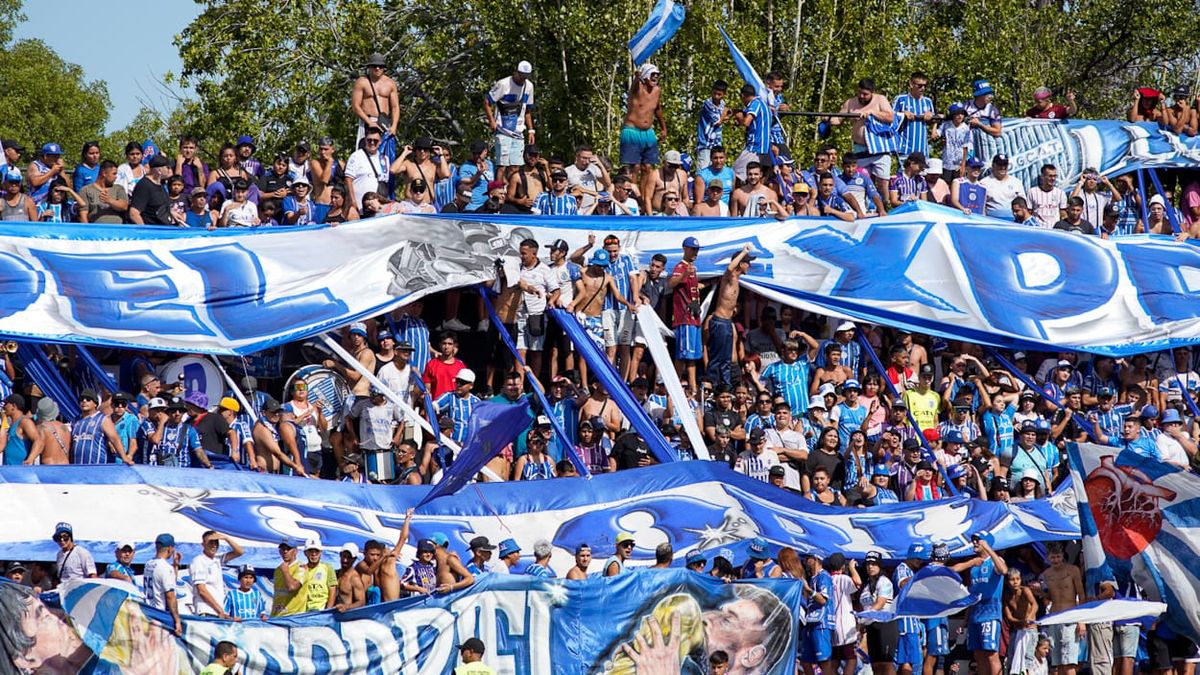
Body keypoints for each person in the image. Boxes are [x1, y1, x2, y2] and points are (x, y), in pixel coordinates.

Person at [950, 532, 1008, 675]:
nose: (974, 543)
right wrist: (965, 621)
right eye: (973, 540)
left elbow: (1003, 570)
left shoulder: (995, 560)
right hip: (975, 614)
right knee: (978, 655)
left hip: (990, 614)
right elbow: (972, 594)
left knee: (990, 653)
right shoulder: (974, 566)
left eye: (978, 540)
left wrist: (988, 549)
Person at [830, 78, 896, 195]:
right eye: (859, 93)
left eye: (865, 94)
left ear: (872, 92)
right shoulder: (850, 103)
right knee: (860, 180)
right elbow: (838, 119)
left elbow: (890, 117)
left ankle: (885, 207)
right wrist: (828, 119)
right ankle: (866, 208)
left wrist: (873, 112)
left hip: (880, 149)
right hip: (860, 149)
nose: (861, 96)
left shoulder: (880, 99)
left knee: (882, 183)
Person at [622, 63, 666, 211]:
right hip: (632, 130)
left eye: (657, 75)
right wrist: (636, 77)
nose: (655, 78)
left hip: (648, 132)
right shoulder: (637, 89)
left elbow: (658, 110)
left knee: (648, 167)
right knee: (634, 166)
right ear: (646, 76)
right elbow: (634, 86)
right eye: (652, 75)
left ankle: (645, 197)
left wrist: (663, 128)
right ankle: (634, 196)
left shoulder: (657, 91)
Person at [485, 61, 536, 178]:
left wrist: (531, 130)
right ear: (516, 72)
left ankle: (512, 192)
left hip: (518, 131)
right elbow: (487, 101)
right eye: (521, 75)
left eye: (526, 76)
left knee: (516, 166)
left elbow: (528, 110)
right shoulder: (503, 84)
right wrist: (492, 122)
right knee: (502, 165)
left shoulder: (529, 86)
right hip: (502, 129)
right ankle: (498, 191)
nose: (523, 79)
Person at [1041, 544, 1085, 675]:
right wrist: (1041, 592)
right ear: (1048, 558)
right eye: (1053, 557)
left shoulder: (1072, 571)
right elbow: (1049, 596)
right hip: (1055, 617)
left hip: (1070, 617)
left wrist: (1081, 620)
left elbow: (1081, 595)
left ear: (1063, 556)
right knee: (1058, 663)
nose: (1056, 560)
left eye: (1058, 557)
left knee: (1070, 663)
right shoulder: (1046, 574)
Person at [189, 530, 244, 619]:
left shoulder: (217, 559)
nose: (214, 545)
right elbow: (202, 590)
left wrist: (226, 538)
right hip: (206, 611)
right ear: (203, 544)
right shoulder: (198, 561)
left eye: (216, 542)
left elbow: (240, 552)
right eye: (211, 542)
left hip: (217, 612)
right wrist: (219, 610)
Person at [351, 53, 400, 143]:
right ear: (369, 67)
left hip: (384, 123)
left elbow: (395, 107)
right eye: (374, 66)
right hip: (367, 121)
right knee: (365, 153)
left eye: (380, 66)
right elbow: (355, 106)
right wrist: (369, 122)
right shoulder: (361, 82)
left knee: (384, 155)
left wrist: (394, 126)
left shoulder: (390, 83)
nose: (377, 68)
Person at [144, 532, 183, 636]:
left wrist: (175, 566)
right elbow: (170, 596)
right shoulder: (165, 567)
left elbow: (167, 583)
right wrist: (177, 620)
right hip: (160, 616)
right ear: (170, 548)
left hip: (148, 612)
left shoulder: (148, 564)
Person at [893, 72, 935, 158]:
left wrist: (931, 116)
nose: (923, 88)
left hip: (923, 151)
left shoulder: (928, 101)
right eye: (920, 85)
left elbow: (934, 121)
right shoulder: (901, 99)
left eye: (925, 86)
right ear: (911, 84)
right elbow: (890, 117)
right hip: (905, 150)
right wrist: (902, 114)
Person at [128, 155, 174, 225]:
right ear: (159, 170)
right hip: (152, 233)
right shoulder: (144, 185)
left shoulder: (161, 185)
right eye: (167, 167)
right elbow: (134, 213)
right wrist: (145, 231)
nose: (170, 170)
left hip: (164, 231)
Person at [696, 81, 730, 171]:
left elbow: (724, 118)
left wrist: (726, 115)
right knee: (703, 171)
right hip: (706, 144)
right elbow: (718, 121)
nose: (716, 96)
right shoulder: (708, 104)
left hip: (717, 144)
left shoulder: (722, 103)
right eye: (714, 93)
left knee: (716, 171)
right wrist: (725, 113)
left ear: (724, 94)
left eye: (719, 94)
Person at [1, 394, 41, 465]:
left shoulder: (24, 422)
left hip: (21, 471)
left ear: (14, 406)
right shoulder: (11, 423)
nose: (4, 407)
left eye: (6, 404)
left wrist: (30, 459)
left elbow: (38, 440)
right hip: (9, 471)